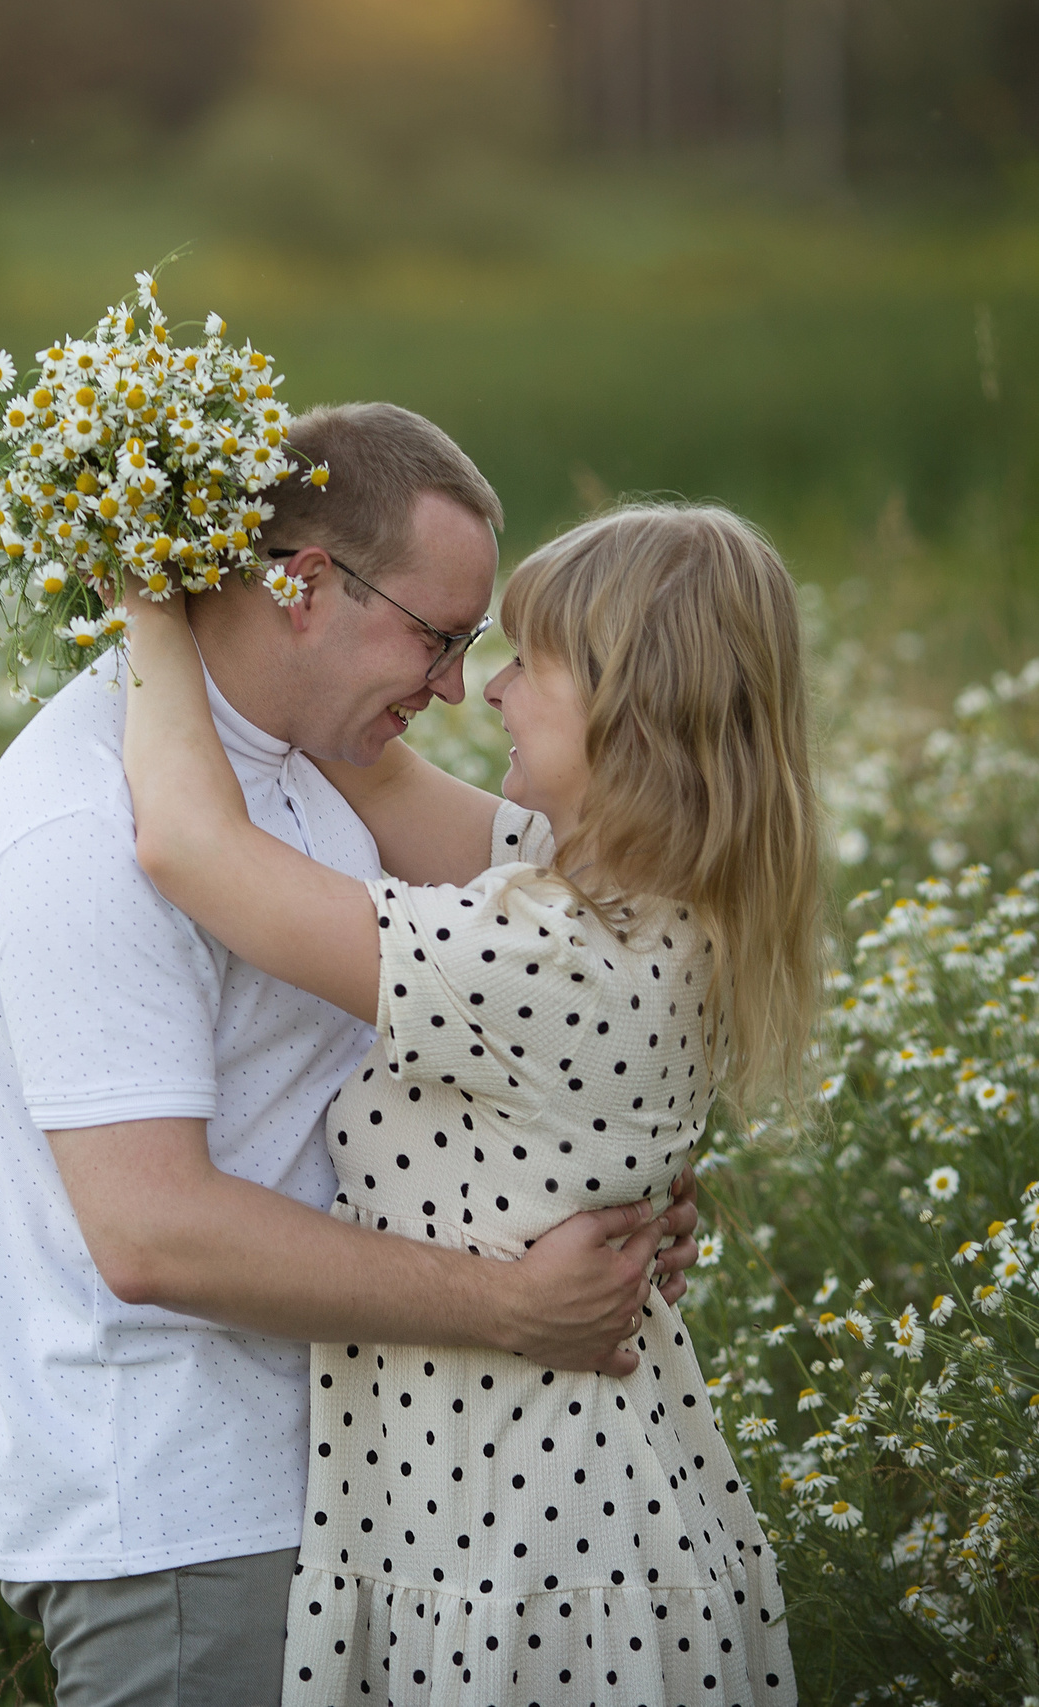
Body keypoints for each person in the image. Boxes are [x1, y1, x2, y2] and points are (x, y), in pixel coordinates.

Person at [0, 404, 701, 1707]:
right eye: (439, 636)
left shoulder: (312, 758)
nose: (464, 685)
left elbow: (553, 981)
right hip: (193, 1508)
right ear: (300, 583)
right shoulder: (83, 823)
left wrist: (598, 1192)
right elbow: (153, 1235)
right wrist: (517, 1300)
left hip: (360, 1483)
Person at [120, 501, 818, 1707]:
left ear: (626, 706)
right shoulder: (630, 902)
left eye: (525, 663)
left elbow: (189, 847)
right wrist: (265, 594)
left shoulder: (553, 956)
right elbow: (367, 764)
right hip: (533, 1499)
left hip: (531, 1542)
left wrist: (141, 592)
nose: (481, 692)